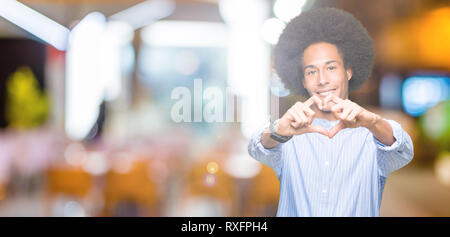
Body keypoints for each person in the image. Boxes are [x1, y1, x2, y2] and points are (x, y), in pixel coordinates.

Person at [248, 8, 414, 217]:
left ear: (348, 71)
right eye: (311, 71)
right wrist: (277, 130)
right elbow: (255, 148)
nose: (322, 79)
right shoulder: (288, 135)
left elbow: (404, 150)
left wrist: (371, 122)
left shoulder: (372, 135)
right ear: (303, 81)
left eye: (331, 67)